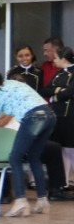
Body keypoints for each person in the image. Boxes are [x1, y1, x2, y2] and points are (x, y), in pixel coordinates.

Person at [0, 66, 57, 217]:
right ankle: (42, 200)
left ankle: (20, 201)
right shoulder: (13, 84)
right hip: (49, 115)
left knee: (15, 158)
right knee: (34, 157)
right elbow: (2, 115)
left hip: (33, 118)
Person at [41, 46, 74, 187]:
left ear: (63, 59)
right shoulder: (59, 73)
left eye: (56, 58)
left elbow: (70, 92)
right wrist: (59, 90)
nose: (54, 61)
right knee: (59, 149)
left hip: (70, 115)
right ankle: (62, 183)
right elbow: (45, 90)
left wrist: (55, 97)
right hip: (57, 115)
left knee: (70, 149)